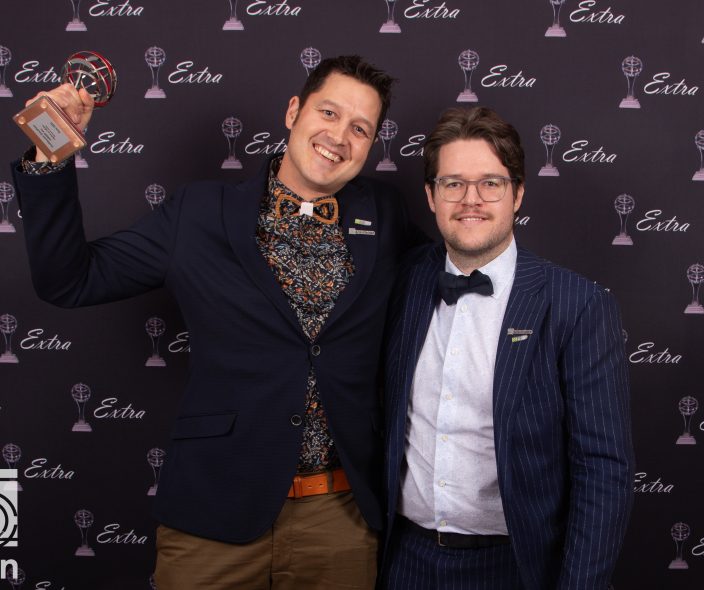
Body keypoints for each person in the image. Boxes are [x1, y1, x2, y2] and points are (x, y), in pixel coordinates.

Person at [12, 56, 414, 589]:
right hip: (213, 509)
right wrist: (50, 147)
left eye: (360, 128)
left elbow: (446, 278)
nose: (339, 137)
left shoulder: (385, 216)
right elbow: (70, 279)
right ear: (293, 111)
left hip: (338, 520)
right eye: (329, 113)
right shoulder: (198, 212)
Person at [381, 106, 634, 590]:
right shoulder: (403, 280)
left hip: (516, 566)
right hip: (404, 560)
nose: (470, 200)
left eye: (490, 184)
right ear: (431, 196)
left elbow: (603, 471)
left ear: (517, 194)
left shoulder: (577, 305)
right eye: (453, 184)